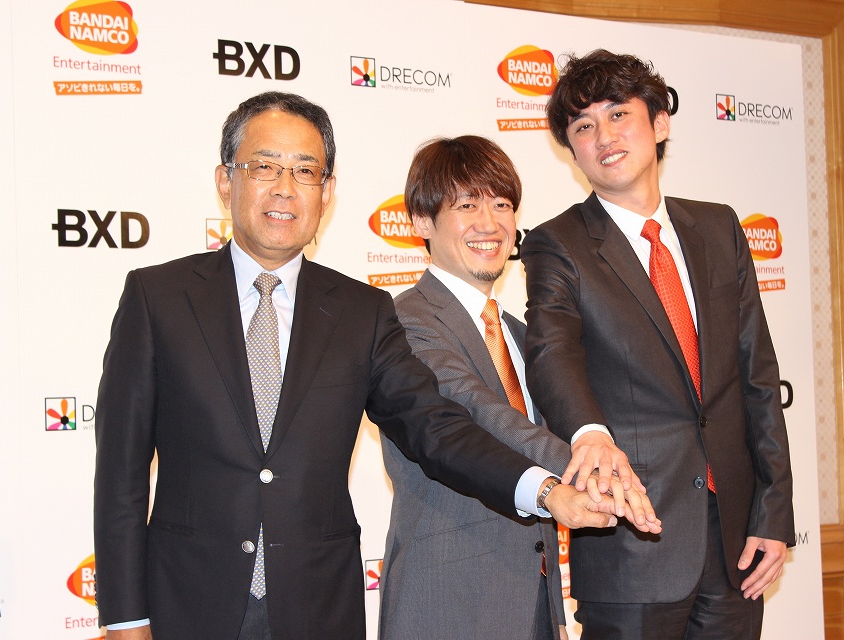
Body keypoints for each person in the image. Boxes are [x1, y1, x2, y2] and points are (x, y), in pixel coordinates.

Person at [92, 92, 630, 640]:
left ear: (326, 193)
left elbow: (435, 429)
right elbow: (120, 475)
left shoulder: (360, 311)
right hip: (185, 602)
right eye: (265, 167)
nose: (285, 187)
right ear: (226, 181)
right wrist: (125, 618)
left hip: (318, 608)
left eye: (305, 171)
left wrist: (546, 491)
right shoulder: (158, 298)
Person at [521, 51, 795, 640]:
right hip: (630, 540)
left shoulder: (719, 228)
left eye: (619, 114)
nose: (604, 136)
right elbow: (551, 352)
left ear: (660, 123)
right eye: (583, 126)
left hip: (736, 543)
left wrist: (773, 512)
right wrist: (589, 433)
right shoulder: (556, 243)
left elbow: (757, 377)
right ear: (572, 151)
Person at [378, 136, 662, 640]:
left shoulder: (519, 333)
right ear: (421, 221)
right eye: (467, 205)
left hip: (535, 600)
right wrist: (593, 468)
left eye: (502, 205)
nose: (489, 224)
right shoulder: (405, 321)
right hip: (448, 599)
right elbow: (480, 414)